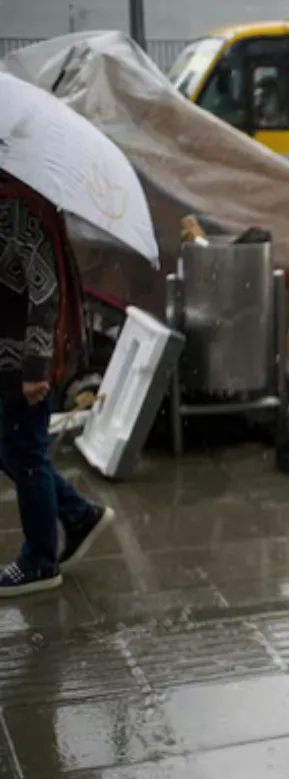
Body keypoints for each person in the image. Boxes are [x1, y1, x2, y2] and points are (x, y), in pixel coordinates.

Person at [0, 172, 115, 596]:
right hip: (7, 355)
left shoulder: (23, 207)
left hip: (25, 361)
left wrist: (34, 369)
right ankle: (78, 513)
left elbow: (44, 291)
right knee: (11, 448)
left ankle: (40, 561)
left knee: (22, 451)